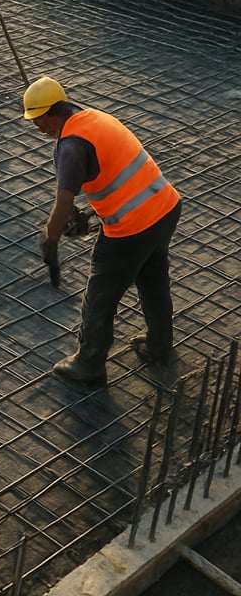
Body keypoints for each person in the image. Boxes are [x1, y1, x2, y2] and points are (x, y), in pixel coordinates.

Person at [23, 76, 181, 386]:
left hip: (132, 228)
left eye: (37, 119)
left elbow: (63, 201)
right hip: (165, 206)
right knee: (153, 278)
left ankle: (89, 363)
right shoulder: (93, 118)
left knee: (99, 296)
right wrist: (90, 214)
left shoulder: (70, 147)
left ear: (52, 112)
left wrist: (50, 239)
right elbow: (112, 170)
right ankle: (159, 345)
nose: (36, 127)